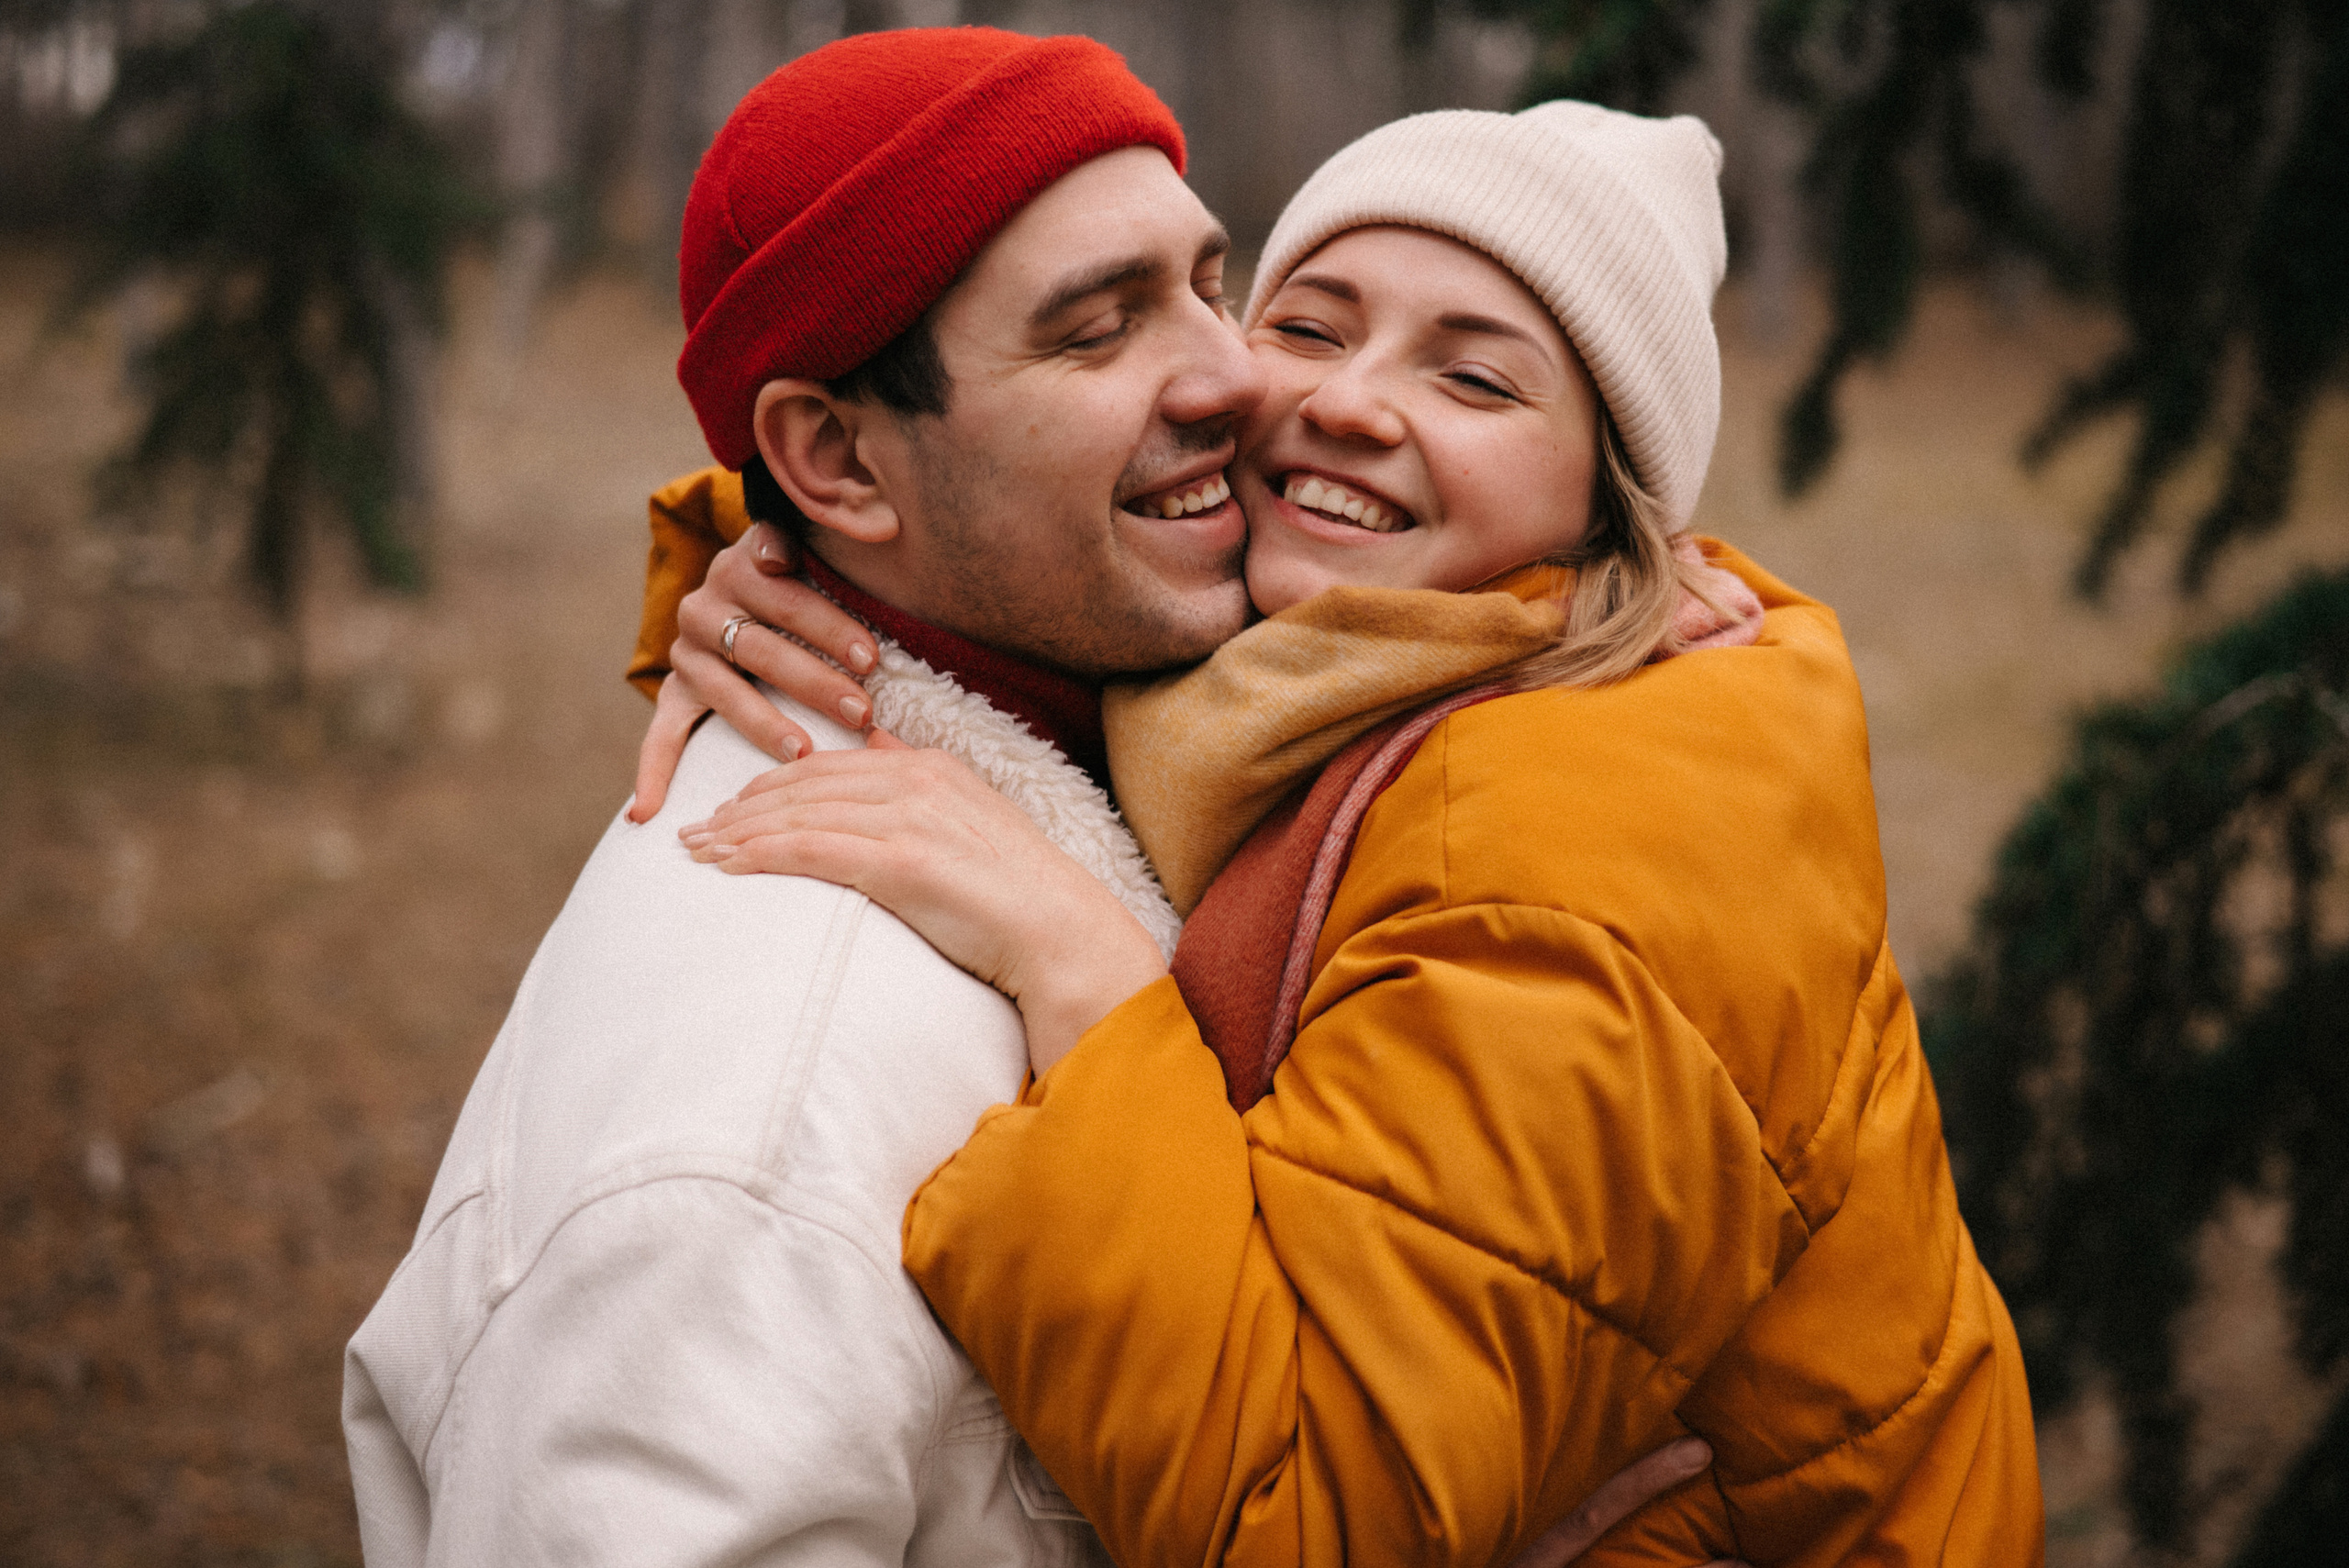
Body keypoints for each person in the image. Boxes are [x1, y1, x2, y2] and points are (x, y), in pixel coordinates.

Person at [343, 28, 1711, 1568]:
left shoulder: (1205, 721)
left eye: (1209, 281)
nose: (1237, 373)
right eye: (1094, 330)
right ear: (838, 463)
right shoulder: (749, 1143)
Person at [640, 103, 2046, 1565]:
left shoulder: (1589, 823)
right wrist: (760, 572)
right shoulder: (1322, 671)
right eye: (1309, 326)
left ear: (1605, 501)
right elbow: (996, 536)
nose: (1354, 405)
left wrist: (1077, 958)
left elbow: (1307, 1526)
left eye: (1478, 378)